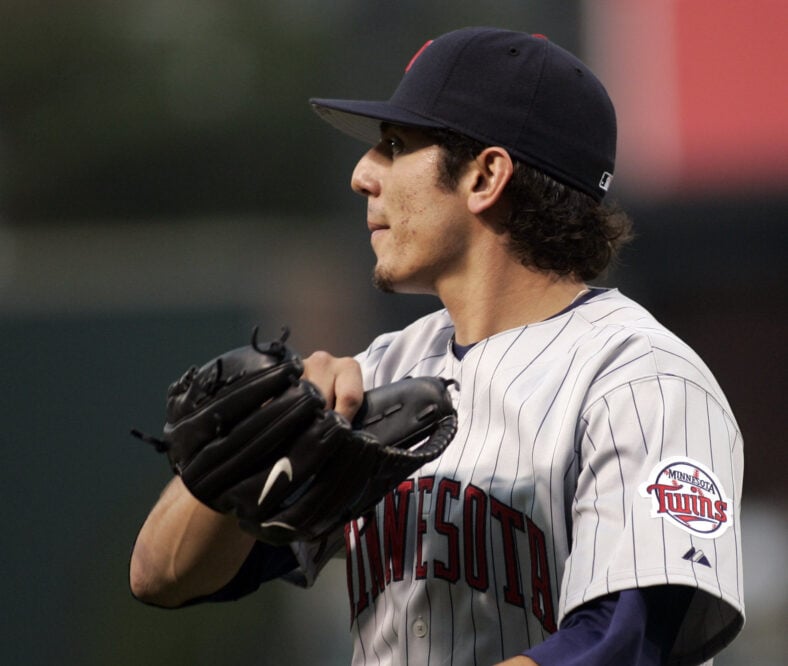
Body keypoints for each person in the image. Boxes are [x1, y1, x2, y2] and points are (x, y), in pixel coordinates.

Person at [130, 27, 745, 665]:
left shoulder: (642, 381)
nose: (362, 174)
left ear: (485, 176)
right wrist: (252, 447)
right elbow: (162, 577)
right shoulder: (383, 369)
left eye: (395, 146)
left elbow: (619, 645)